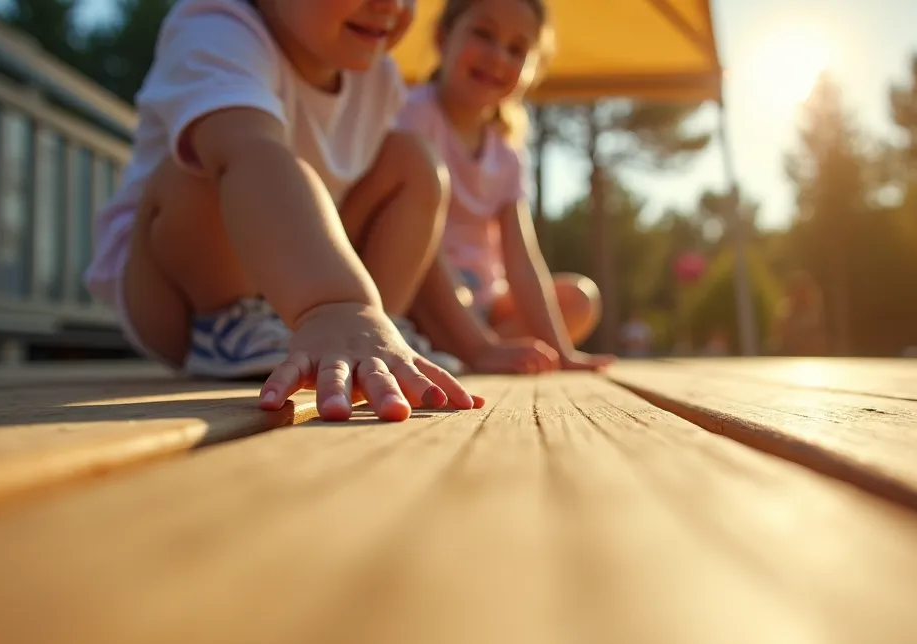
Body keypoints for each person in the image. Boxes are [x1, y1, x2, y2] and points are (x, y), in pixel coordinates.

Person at [82, 0, 480, 422]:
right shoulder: (215, 28)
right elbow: (251, 155)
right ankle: (232, 321)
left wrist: (475, 342)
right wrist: (339, 304)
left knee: (412, 160)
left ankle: (368, 334)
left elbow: (419, 241)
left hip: (300, 282)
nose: (389, 6)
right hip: (174, 298)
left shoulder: (377, 76)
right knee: (213, 155)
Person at [397, 0, 615, 374]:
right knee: (422, 264)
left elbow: (521, 257)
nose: (498, 56)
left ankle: (472, 346)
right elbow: (408, 240)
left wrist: (561, 352)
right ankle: (469, 347)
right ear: (442, 37)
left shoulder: (508, 150)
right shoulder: (414, 114)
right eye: (483, 34)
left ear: (534, 69)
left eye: (517, 49)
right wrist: (480, 343)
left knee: (579, 300)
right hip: (418, 293)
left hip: (482, 303)